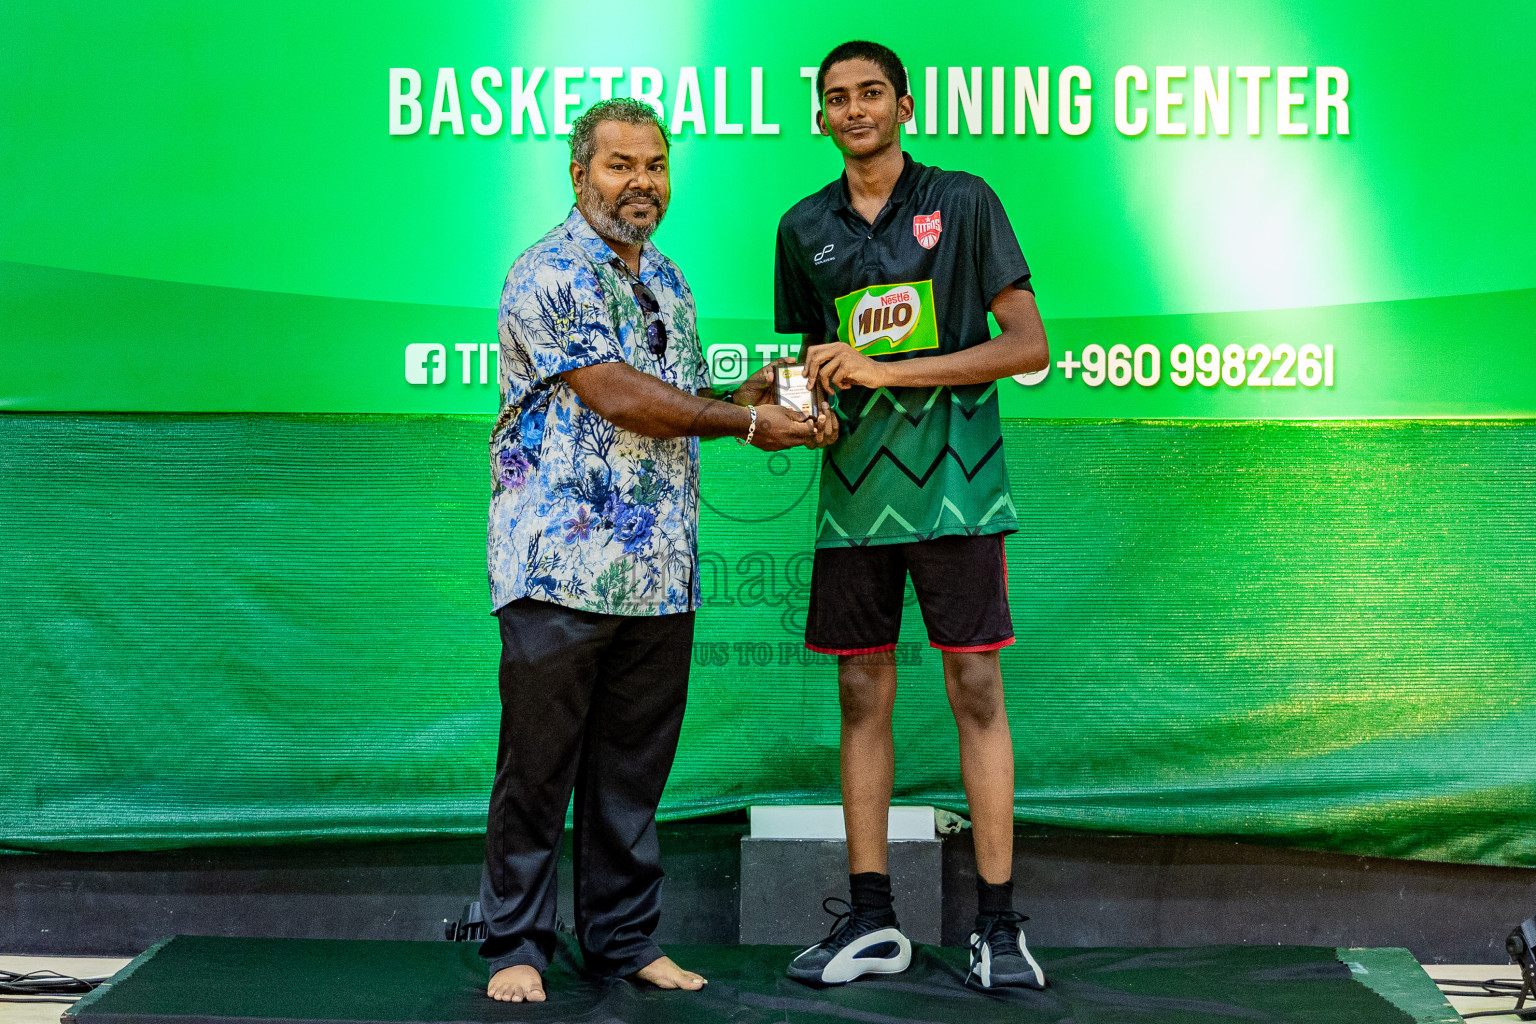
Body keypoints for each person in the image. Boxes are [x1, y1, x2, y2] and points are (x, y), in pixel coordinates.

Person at [481, 97, 819, 1003]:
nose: (642, 183)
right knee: (537, 770)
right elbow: (616, 395)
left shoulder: (667, 277)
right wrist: (748, 421)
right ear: (579, 172)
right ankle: (515, 945)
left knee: (631, 778)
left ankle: (624, 944)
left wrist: (742, 392)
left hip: (660, 576)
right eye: (621, 164)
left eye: (656, 165)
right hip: (557, 568)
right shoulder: (548, 272)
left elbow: (670, 401)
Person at [773, 41, 1051, 990]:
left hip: (960, 491)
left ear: (905, 103)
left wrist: (889, 372)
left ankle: (998, 926)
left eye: (871, 95)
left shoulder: (963, 200)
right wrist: (792, 415)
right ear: (821, 116)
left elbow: (1025, 345)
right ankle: (871, 922)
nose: (854, 110)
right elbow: (814, 366)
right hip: (854, 505)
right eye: (836, 99)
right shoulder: (800, 226)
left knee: (976, 690)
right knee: (861, 700)